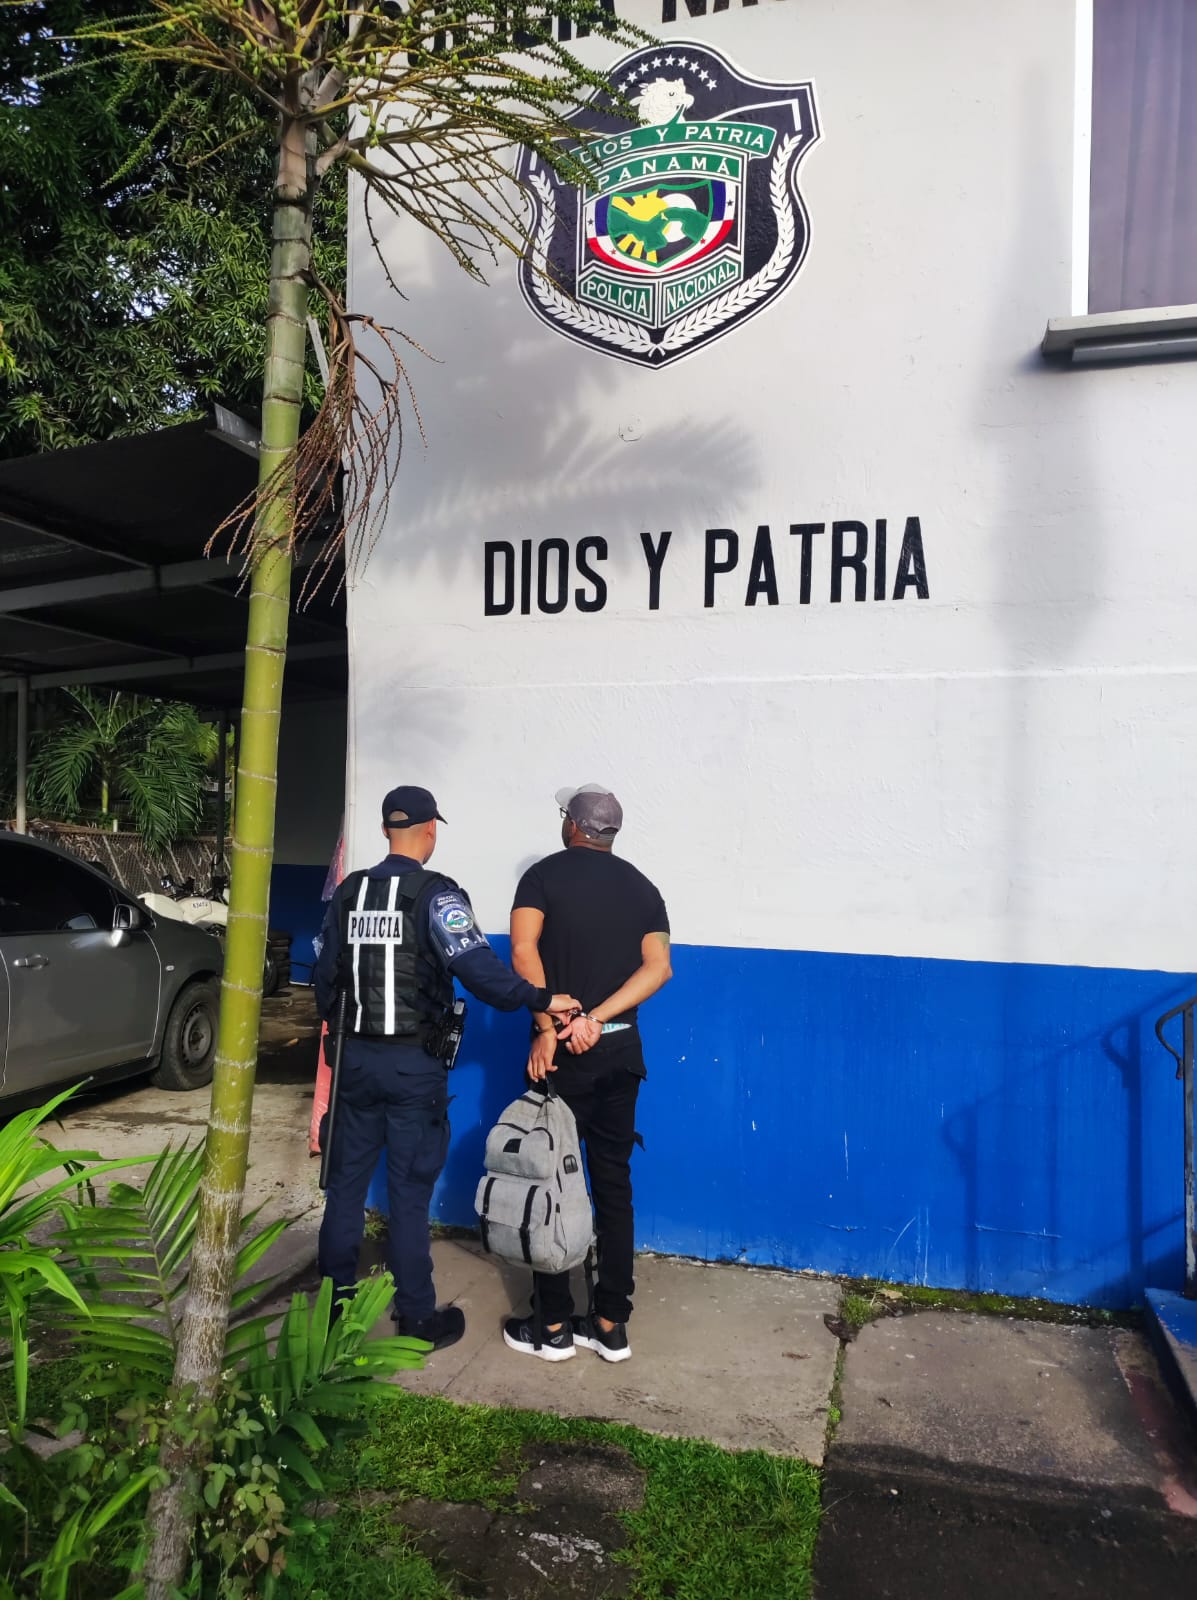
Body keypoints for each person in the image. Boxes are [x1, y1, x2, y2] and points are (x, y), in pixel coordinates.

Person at [314, 785, 581, 1351]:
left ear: (386, 829)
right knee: (409, 1196)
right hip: (413, 1068)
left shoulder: (348, 894)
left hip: (353, 1064)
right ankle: (416, 1319)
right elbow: (479, 970)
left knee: (344, 1190)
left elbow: (323, 980)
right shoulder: (437, 895)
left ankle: (331, 1316)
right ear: (431, 829)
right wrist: (541, 1000)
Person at [503, 783, 672, 1363]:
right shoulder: (644, 889)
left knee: (549, 1182)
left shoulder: (541, 878)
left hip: (559, 1059)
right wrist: (597, 1020)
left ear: (573, 825)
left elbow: (523, 953)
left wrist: (553, 1025)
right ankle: (609, 1322)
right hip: (621, 1055)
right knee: (613, 1185)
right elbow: (659, 968)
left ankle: (552, 1324)